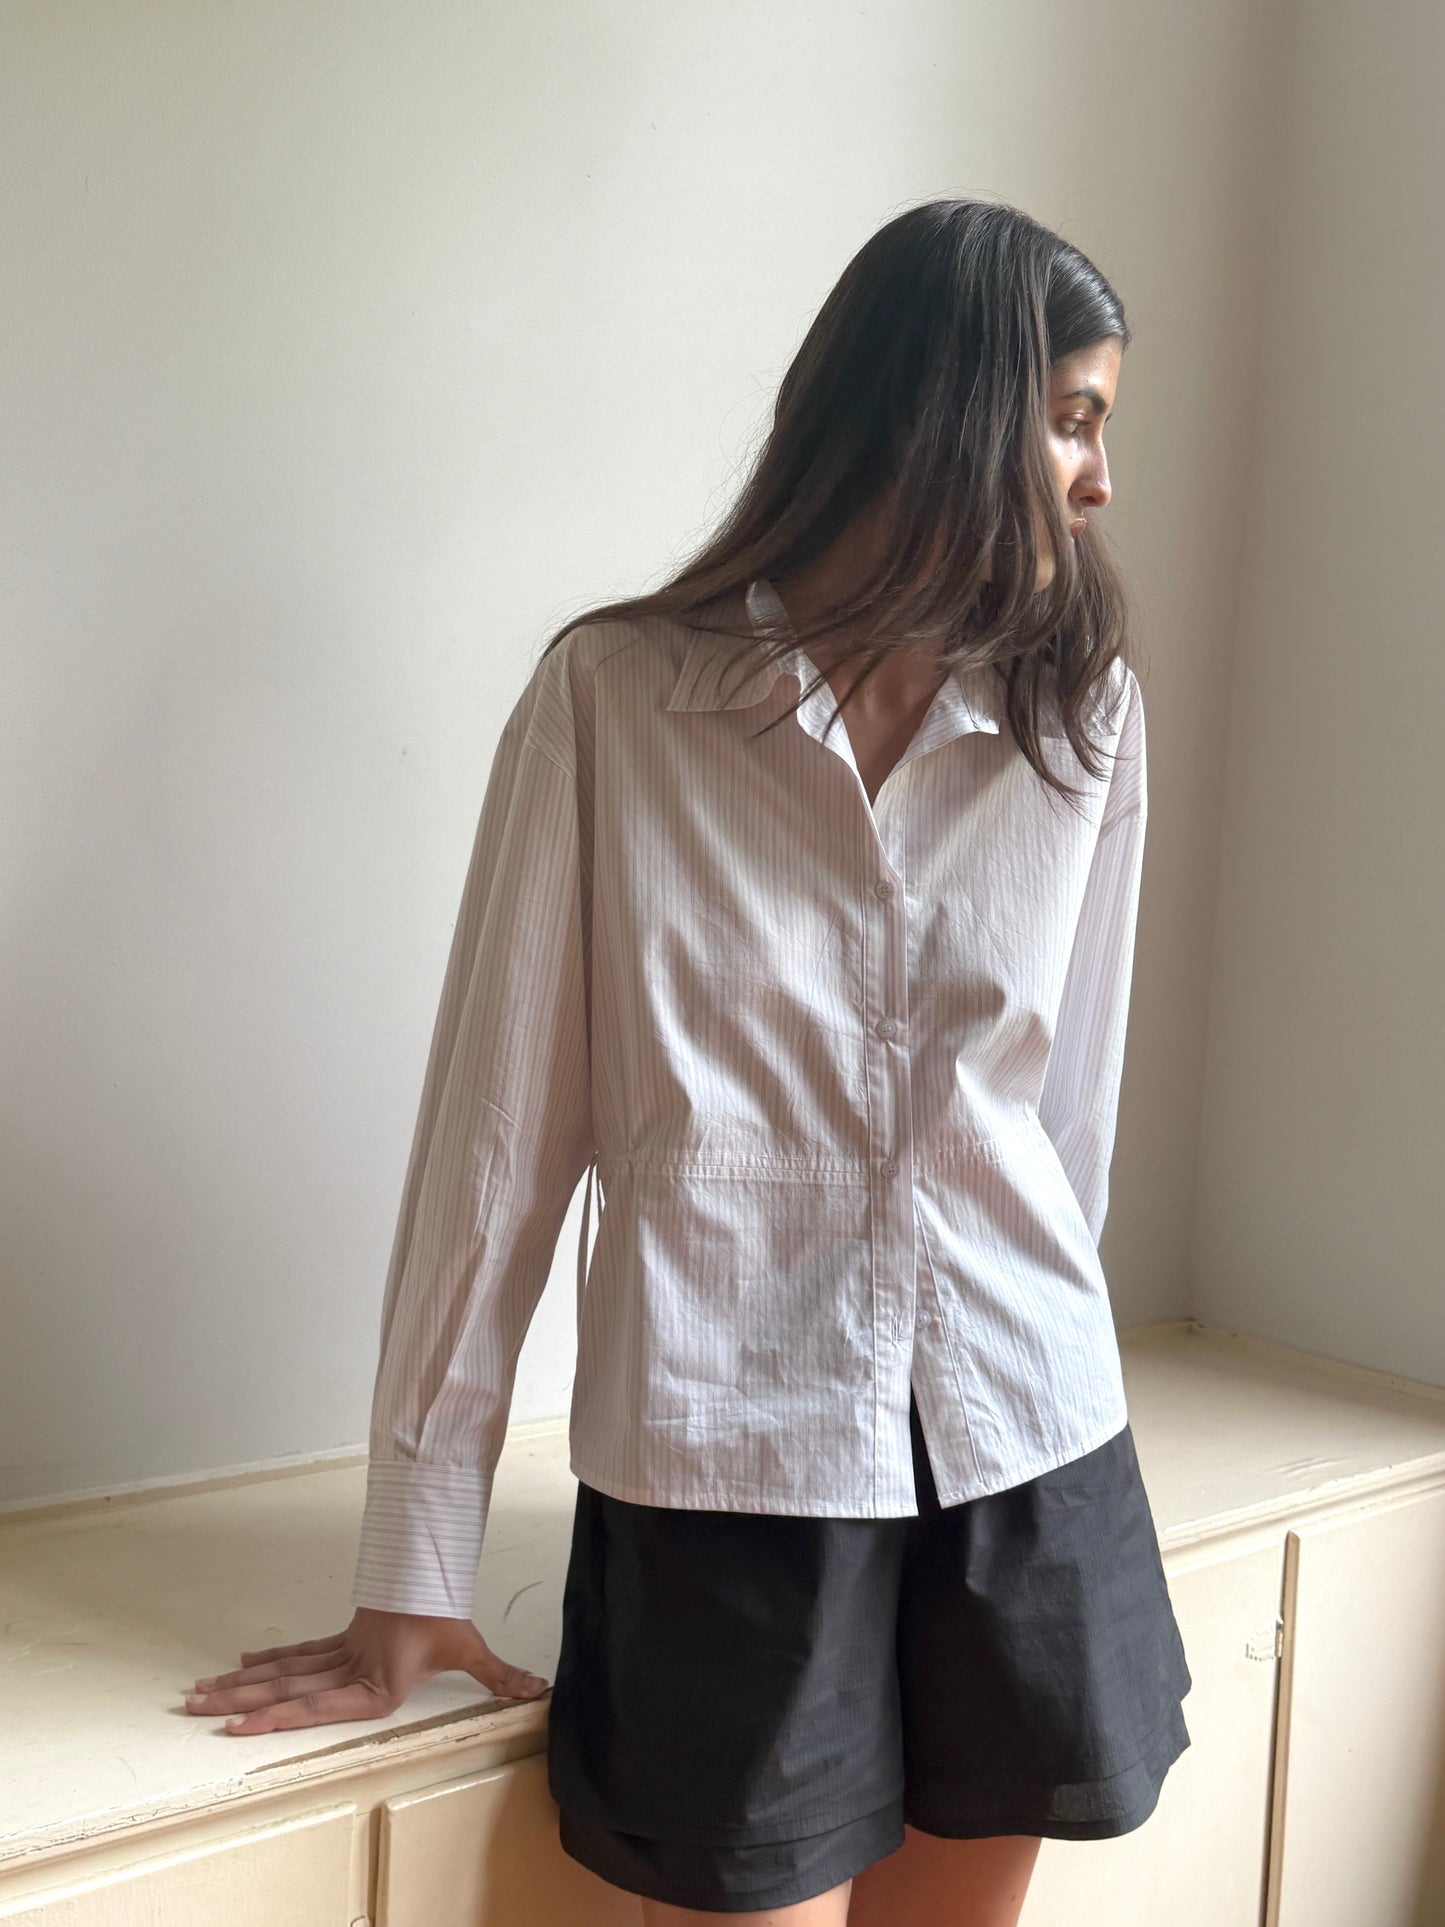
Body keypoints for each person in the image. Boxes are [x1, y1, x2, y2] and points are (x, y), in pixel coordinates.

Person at [185, 197, 1193, 1925]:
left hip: (1027, 1450)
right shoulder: (615, 702)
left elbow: (1065, 1117)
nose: (1098, 477)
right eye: (1074, 415)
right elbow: (494, 1156)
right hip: (731, 1475)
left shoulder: (1078, 708)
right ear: (945, 408)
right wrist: (411, 1562)